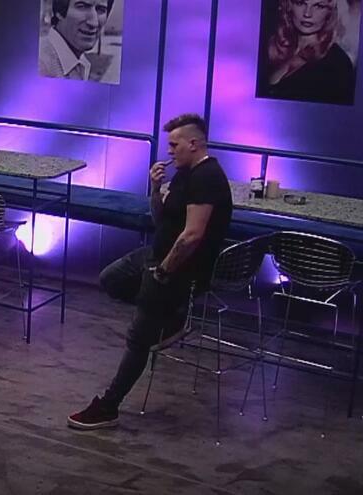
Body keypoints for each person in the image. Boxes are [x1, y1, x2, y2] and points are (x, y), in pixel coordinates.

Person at [68, 114, 233, 430]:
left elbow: (192, 236)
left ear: (193, 143)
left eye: (174, 144)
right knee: (111, 279)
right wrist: (156, 188)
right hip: (155, 254)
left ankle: (109, 406)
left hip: (178, 268)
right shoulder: (184, 174)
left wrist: (163, 273)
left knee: (137, 339)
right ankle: (168, 318)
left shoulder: (207, 177)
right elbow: (161, 219)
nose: (169, 151)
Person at [258, 0, 355, 105]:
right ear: (289, 6)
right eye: (300, 3)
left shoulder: (338, 63)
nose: (307, 14)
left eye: (319, 6)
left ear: (330, 12)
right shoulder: (268, 44)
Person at [39, 0, 115, 80]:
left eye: (101, 9)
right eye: (82, 6)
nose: (94, 23)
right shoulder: (41, 66)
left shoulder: (80, 62)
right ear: (59, 11)